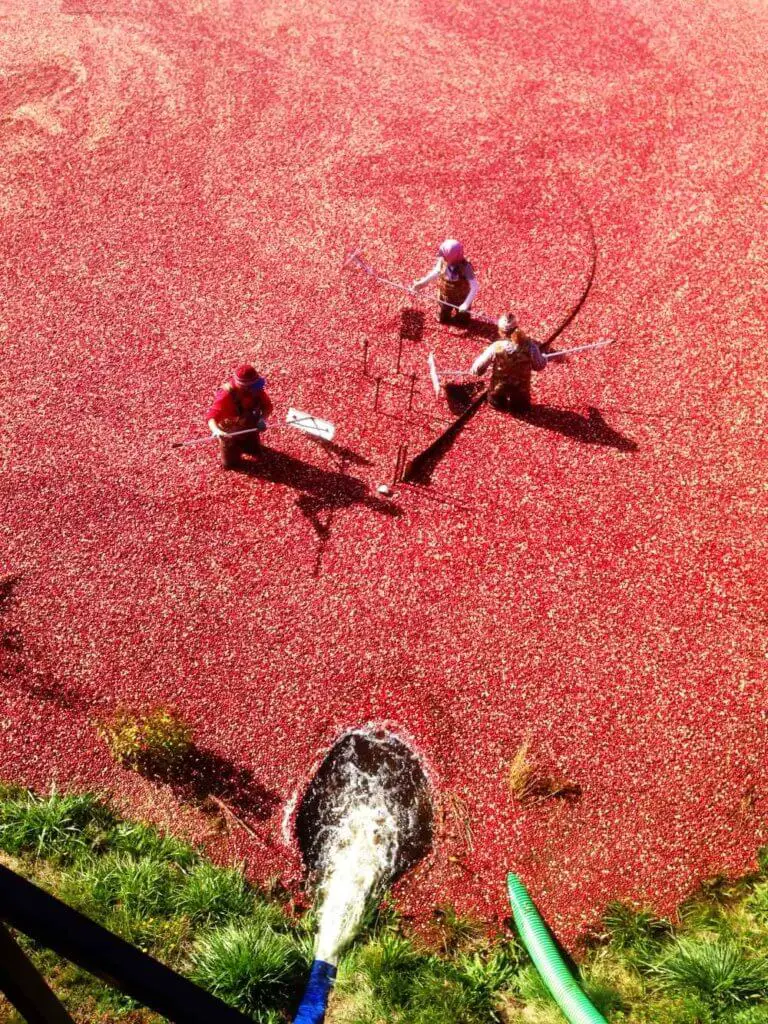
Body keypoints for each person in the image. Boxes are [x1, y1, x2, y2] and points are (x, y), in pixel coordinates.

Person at [471, 312, 546, 411]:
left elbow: (477, 369)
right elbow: (539, 366)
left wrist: (477, 370)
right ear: (516, 327)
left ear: (500, 331)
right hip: (521, 392)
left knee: (495, 401)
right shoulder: (530, 346)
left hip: (498, 390)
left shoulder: (496, 347)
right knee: (520, 406)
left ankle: (497, 403)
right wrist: (544, 358)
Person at [206, 363, 274, 469]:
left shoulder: (256, 390)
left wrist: (263, 419)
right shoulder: (226, 395)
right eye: (253, 387)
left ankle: (249, 446)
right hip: (229, 431)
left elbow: (267, 406)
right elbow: (211, 416)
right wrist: (216, 431)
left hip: (250, 425)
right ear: (244, 387)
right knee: (230, 464)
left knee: (253, 448)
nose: (258, 389)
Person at [412, 239, 478, 323]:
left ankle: (461, 319)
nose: (442, 257)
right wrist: (422, 283)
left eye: (445, 255)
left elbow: (474, 287)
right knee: (444, 315)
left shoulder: (465, 267)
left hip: (461, 298)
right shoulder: (443, 260)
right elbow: (437, 271)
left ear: (452, 256)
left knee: (463, 318)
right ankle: (445, 318)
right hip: (445, 295)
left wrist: (466, 303)